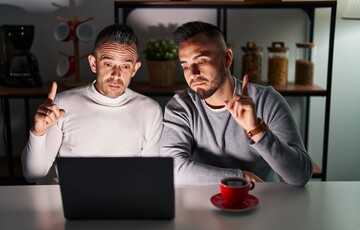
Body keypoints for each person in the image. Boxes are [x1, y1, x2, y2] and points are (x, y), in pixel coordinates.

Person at [160, 21, 313, 186]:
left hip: (262, 203)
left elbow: (300, 176)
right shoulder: (180, 107)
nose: (193, 74)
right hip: (203, 204)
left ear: (227, 58)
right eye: (186, 66)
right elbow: (172, 169)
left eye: (202, 61)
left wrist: (257, 131)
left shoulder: (266, 100)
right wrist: (239, 177)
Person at [22, 23, 163, 184]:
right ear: (93, 63)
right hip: (68, 201)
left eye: (125, 66)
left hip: (123, 202)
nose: (116, 75)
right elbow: (32, 174)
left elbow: (150, 176)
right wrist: (37, 133)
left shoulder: (150, 110)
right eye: (108, 64)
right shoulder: (61, 104)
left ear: (135, 69)